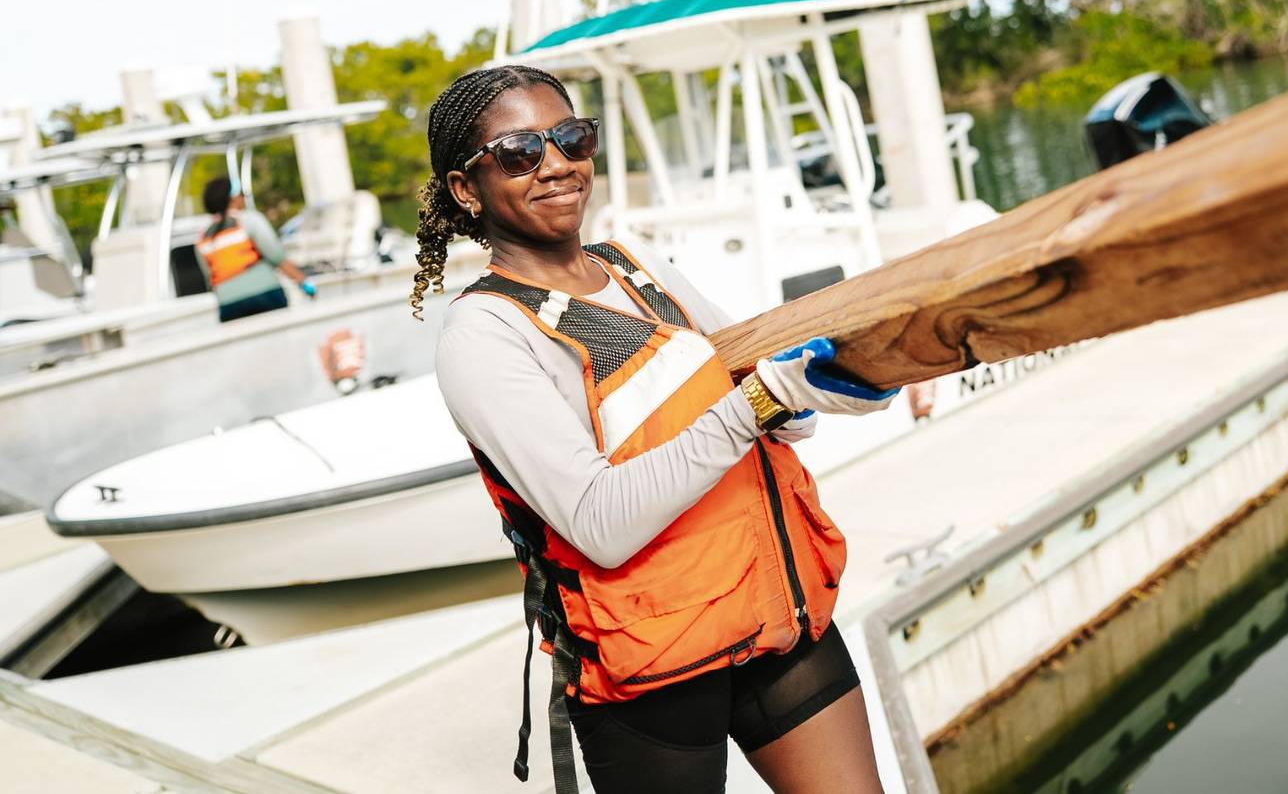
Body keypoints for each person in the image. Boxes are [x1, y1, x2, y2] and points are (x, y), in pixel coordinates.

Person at [415, 65, 896, 794]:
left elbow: (758, 394)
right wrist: (760, 404)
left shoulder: (638, 268)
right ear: (464, 188)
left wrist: (830, 392)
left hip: (775, 614)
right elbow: (599, 521)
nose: (557, 165)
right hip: (652, 667)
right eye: (519, 152)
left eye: (572, 138)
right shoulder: (485, 332)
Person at [195, 176, 316, 322]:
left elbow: (211, 278)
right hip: (266, 294)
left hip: (229, 305)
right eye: (241, 195)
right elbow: (276, 256)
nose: (243, 199)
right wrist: (305, 284)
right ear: (233, 198)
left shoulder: (203, 237)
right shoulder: (249, 220)